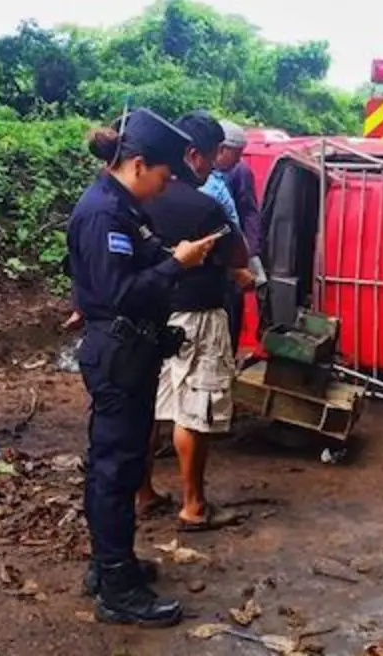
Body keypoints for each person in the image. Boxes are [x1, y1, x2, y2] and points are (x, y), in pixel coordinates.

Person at [68, 107, 220, 626]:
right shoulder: (105, 213)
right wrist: (178, 264)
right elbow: (123, 291)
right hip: (117, 354)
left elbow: (107, 274)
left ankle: (113, 564)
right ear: (137, 164)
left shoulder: (121, 208)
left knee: (124, 462)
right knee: (114, 468)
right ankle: (116, 590)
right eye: (163, 174)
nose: (165, 185)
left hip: (127, 352)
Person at [143, 111, 251, 531]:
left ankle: (144, 493)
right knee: (193, 412)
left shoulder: (138, 197)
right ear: (193, 155)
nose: (211, 166)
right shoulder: (203, 206)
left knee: (146, 408)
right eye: (210, 156)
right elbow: (238, 257)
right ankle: (193, 506)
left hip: (150, 311)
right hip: (198, 317)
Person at [214, 120, 265, 353]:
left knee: (230, 315)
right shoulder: (192, 171)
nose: (239, 159)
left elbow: (249, 213)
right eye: (237, 153)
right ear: (220, 149)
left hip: (231, 258)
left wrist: (250, 257)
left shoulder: (239, 171)